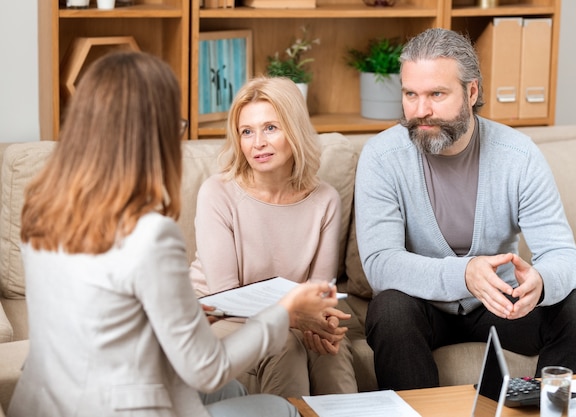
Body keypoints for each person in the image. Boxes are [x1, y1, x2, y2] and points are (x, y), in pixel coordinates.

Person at [8, 51, 339, 417]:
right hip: (121, 407)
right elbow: (206, 368)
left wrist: (189, 312)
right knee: (281, 409)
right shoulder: (150, 234)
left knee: (237, 390)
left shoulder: (41, 211)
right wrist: (283, 313)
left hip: (45, 404)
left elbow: (98, 312)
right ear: (153, 134)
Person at [354, 28, 576, 391]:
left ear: (471, 92)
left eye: (437, 94)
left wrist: (542, 281)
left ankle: (545, 412)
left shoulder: (519, 156)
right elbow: (381, 264)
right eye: (411, 94)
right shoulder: (382, 157)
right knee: (389, 310)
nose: (420, 110)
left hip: (501, 303)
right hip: (421, 304)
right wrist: (465, 273)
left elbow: (564, 254)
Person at [189, 76, 358, 397]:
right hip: (221, 318)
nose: (258, 143)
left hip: (289, 318)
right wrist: (295, 318)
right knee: (285, 345)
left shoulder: (325, 199)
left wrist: (321, 323)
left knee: (332, 353)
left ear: (293, 130)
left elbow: (318, 293)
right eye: (247, 132)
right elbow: (226, 294)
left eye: (270, 128)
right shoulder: (218, 193)